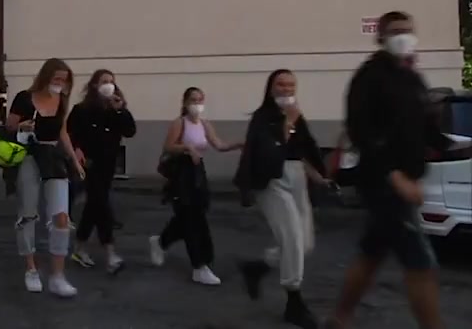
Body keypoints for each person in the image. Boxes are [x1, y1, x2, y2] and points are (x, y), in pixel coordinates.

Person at [325, 11, 449, 329]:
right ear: (380, 37)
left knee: (371, 254)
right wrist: (394, 176)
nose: (403, 36)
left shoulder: (411, 77)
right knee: (421, 264)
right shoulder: (369, 77)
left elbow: (426, 128)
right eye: (395, 31)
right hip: (385, 184)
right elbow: (361, 132)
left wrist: (448, 145)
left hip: (404, 180)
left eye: (408, 30)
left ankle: (340, 318)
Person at [234, 69, 331, 329]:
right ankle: (294, 302)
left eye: (291, 85)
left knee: (305, 243)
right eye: (281, 84)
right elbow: (265, 154)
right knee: (293, 239)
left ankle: (258, 267)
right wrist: (287, 123)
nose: (286, 89)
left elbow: (301, 152)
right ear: (270, 88)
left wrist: (319, 177)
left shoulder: (296, 118)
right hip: (271, 181)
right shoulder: (262, 117)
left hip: (296, 177)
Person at [6, 58, 86, 297]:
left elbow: (63, 132)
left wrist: (74, 160)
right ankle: (31, 268)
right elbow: (9, 126)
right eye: (56, 79)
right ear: (45, 77)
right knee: (28, 214)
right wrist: (22, 126)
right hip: (30, 157)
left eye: (64, 80)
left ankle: (57, 276)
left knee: (62, 216)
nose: (60, 84)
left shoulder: (61, 101)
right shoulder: (24, 98)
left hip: (53, 158)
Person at [150, 87, 241, 286]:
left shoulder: (204, 124)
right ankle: (199, 266)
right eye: (193, 100)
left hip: (197, 173)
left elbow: (219, 144)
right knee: (192, 220)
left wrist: (240, 144)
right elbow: (168, 146)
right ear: (184, 103)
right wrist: (187, 147)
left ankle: (160, 242)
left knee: (190, 217)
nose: (197, 104)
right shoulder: (179, 123)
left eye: (200, 99)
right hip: (181, 174)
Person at [67, 69, 136, 274]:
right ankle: (110, 253)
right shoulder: (82, 109)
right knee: (101, 204)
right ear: (95, 85)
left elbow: (130, 131)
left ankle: (79, 248)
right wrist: (77, 151)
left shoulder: (115, 109)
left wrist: (120, 110)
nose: (109, 85)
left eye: (112, 81)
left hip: (108, 165)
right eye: (104, 81)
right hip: (89, 163)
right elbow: (70, 132)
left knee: (94, 206)